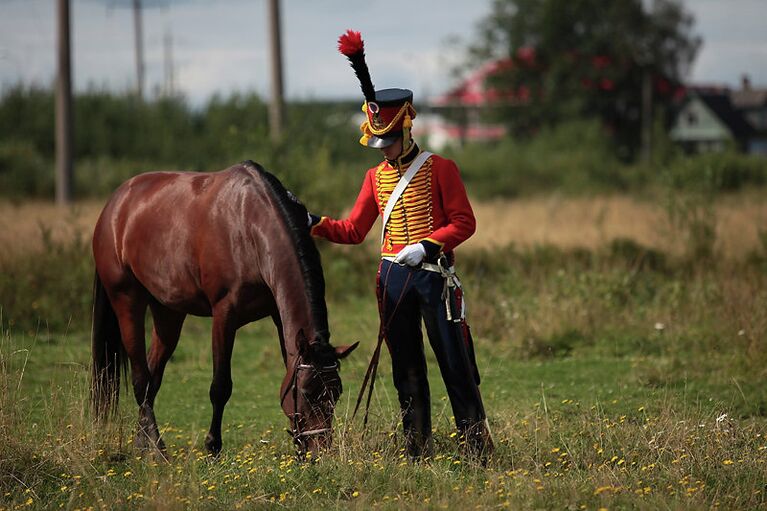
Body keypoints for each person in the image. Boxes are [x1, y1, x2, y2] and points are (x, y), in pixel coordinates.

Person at [308, 30, 493, 460]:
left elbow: (465, 222)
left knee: (454, 362)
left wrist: (430, 245)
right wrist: (313, 223)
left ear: (407, 127)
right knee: (405, 366)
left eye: (389, 139)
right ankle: (416, 446)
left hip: (432, 278)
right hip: (392, 279)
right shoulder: (375, 178)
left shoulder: (440, 168)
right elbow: (353, 230)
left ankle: (475, 447)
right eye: (379, 142)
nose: (384, 149)